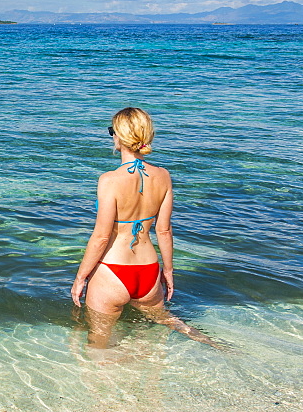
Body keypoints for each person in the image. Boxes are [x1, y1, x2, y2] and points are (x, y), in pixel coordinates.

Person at [71, 107, 218, 348]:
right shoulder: (163, 176)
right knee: (166, 324)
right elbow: (164, 231)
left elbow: (100, 237)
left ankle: (100, 383)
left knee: (98, 341)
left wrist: (80, 278)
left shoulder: (109, 180)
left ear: (119, 136)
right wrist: (168, 272)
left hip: (112, 271)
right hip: (149, 271)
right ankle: (216, 346)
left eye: (112, 131)